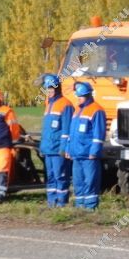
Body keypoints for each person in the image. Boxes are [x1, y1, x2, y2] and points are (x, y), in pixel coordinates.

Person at [66, 81, 106, 210]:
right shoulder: (77, 110)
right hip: (76, 153)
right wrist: (68, 148)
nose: (78, 99)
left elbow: (98, 133)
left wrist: (94, 151)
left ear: (88, 95)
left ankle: (90, 207)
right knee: (78, 182)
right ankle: (79, 207)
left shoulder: (97, 110)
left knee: (90, 181)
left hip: (89, 155)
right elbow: (71, 133)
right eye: (77, 96)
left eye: (80, 96)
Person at [39, 74, 74, 207]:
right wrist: (43, 147)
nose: (49, 91)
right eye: (47, 89)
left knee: (61, 176)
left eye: (51, 88)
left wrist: (64, 148)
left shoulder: (66, 105)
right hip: (48, 149)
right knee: (51, 176)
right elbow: (46, 130)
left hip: (58, 149)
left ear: (58, 88)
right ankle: (51, 202)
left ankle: (62, 202)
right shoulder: (49, 105)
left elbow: (67, 130)